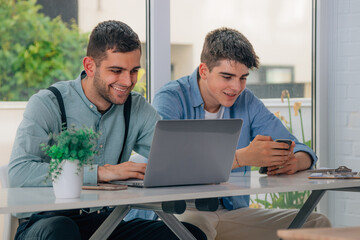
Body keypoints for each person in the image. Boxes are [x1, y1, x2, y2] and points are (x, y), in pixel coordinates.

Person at [8, 20, 206, 240]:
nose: (128, 81)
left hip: (106, 224)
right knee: (62, 231)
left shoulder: (136, 107)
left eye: (134, 71)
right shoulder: (48, 103)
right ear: (89, 66)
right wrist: (100, 172)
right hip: (46, 223)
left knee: (189, 236)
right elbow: (19, 172)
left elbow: (175, 157)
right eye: (116, 70)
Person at [151, 27, 331, 240]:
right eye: (227, 77)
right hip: (182, 213)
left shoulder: (246, 101)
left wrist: (295, 161)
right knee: (197, 230)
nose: (236, 87)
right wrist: (241, 158)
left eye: (243, 78)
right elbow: (168, 164)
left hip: (231, 212)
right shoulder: (172, 98)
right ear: (204, 71)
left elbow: (298, 147)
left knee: (316, 223)